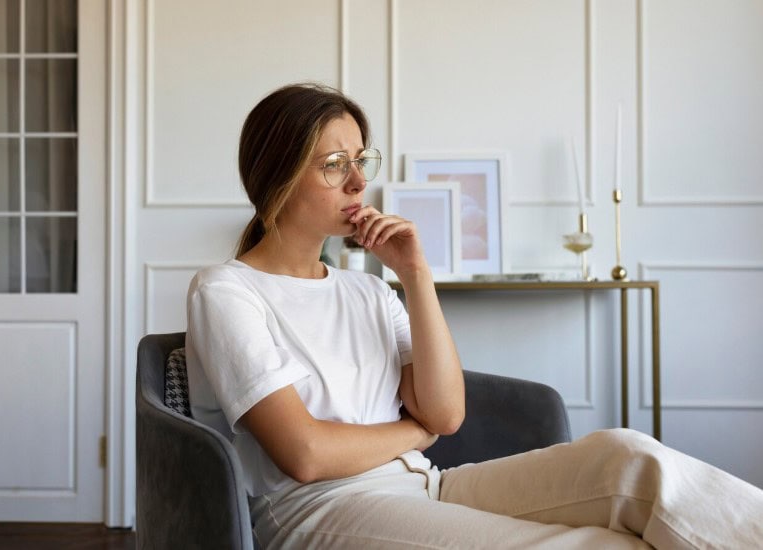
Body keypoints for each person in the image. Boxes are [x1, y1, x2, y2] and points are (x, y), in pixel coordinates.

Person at [185, 83, 763, 549]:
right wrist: (415, 433)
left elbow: (446, 412)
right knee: (600, 543)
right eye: (335, 164)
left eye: (361, 160)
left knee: (626, 459)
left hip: (426, 485)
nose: (360, 182)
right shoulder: (227, 291)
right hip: (319, 512)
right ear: (278, 175)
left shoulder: (368, 291)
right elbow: (306, 455)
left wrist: (416, 275)